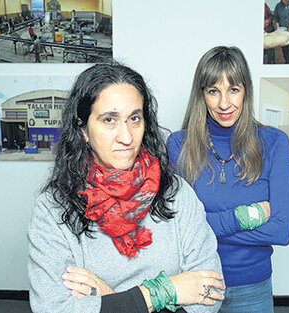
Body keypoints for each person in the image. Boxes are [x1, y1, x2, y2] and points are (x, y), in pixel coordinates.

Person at [28, 63, 225, 313]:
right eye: (109, 120)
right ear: (83, 129)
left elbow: (211, 292)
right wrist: (161, 292)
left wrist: (109, 299)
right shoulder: (53, 209)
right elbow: (53, 308)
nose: (127, 137)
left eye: (134, 119)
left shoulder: (176, 193)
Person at [167, 46, 289, 313]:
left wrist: (204, 225)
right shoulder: (179, 145)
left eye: (233, 89)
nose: (224, 103)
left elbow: (282, 231)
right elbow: (178, 231)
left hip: (253, 287)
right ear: (201, 95)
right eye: (213, 91)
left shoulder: (274, 143)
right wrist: (246, 216)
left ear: (245, 91)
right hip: (197, 284)